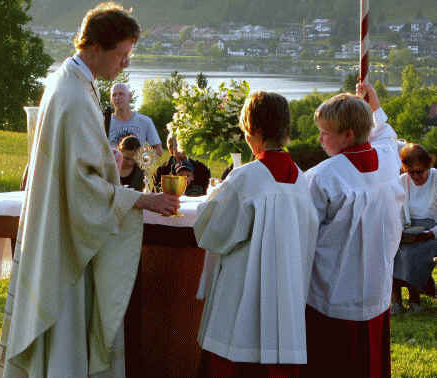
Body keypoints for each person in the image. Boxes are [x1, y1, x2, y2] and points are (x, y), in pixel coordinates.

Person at [0, 2, 179, 378]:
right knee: (66, 331)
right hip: (66, 239)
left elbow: (73, 167)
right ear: (96, 46)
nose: (125, 64)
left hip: (61, 230)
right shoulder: (75, 97)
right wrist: (143, 199)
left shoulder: (70, 82)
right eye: (122, 54)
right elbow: (80, 188)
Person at [194, 91, 319, 377]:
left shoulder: (247, 177)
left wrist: (212, 199)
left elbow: (212, 231)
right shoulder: (299, 177)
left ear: (256, 131)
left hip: (243, 293)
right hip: (286, 293)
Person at [303, 83, 404, 378]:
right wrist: (375, 107)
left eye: (325, 132)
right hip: (376, 289)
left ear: (347, 135)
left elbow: (304, 236)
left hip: (332, 295)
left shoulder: (322, 178)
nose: (320, 138)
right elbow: (387, 136)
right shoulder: (387, 158)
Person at [392, 143, 437, 313]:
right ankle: (396, 302)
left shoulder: (436, 179)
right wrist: (399, 231)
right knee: (391, 251)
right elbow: (397, 213)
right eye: (412, 172)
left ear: (428, 166)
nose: (416, 176)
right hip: (409, 230)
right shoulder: (401, 182)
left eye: (420, 171)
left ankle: (414, 300)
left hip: (432, 231)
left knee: (411, 254)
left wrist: (429, 233)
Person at [108, 82, 163, 156]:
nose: (117, 98)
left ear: (130, 96)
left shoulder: (145, 121)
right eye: (114, 95)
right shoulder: (105, 122)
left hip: (138, 166)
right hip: (113, 167)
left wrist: (141, 160)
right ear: (111, 99)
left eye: (121, 94)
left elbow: (158, 150)